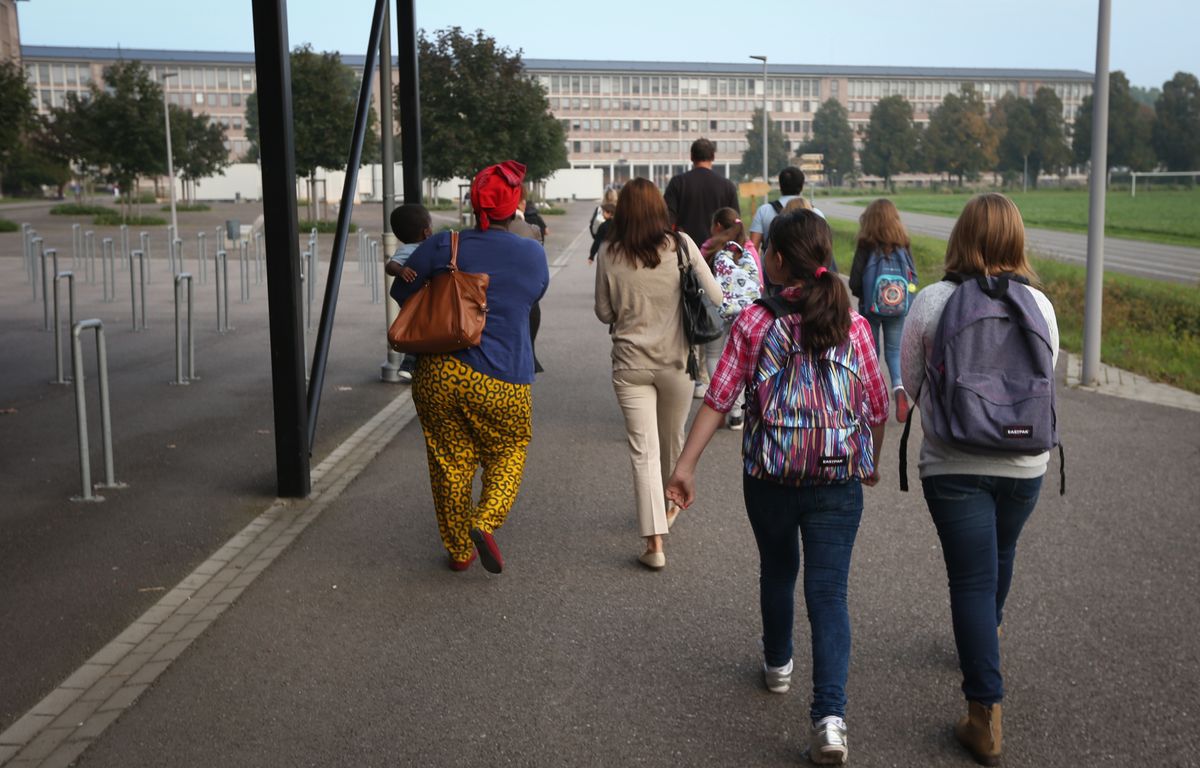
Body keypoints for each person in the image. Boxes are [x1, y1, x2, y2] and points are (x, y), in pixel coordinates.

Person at [666, 209, 888, 766]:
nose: (762, 259)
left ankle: (777, 666)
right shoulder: (854, 324)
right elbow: (878, 405)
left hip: (770, 474)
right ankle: (830, 720)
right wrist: (870, 462)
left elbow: (719, 398)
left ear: (780, 261)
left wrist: (686, 465)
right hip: (838, 476)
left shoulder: (755, 324)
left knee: (778, 569)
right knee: (830, 594)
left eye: (768, 253)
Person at [900, 193, 1059, 767]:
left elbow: (913, 387)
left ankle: (984, 717)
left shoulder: (932, 302)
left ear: (960, 237)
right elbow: (1046, 377)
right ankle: (983, 642)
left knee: (970, 579)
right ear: (1017, 240)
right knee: (1003, 552)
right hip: (1026, 464)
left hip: (953, 461)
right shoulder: (1040, 304)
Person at [391, 160, 550, 574]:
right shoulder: (531, 253)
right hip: (504, 375)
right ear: (513, 204)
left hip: (439, 373)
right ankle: (486, 520)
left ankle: (459, 550)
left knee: (450, 459)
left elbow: (403, 289)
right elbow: (533, 297)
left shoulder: (444, 244)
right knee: (510, 448)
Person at [594, 177, 722, 571]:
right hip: (677, 364)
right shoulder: (682, 245)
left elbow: (604, 313)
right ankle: (668, 505)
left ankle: (654, 543)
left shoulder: (609, 253)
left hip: (630, 364)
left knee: (642, 450)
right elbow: (716, 296)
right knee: (672, 441)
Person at [848, 199, 916, 422]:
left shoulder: (866, 244)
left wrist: (864, 296)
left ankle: (870, 397)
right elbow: (913, 277)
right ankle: (899, 389)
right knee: (894, 352)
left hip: (871, 308)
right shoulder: (903, 243)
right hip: (897, 307)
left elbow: (855, 280)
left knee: (871, 353)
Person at [699, 207, 761, 430]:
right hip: (744, 312)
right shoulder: (749, 249)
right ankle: (737, 412)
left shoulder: (709, 247)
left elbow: (696, 278)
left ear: (717, 226)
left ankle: (717, 408)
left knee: (714, 356)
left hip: (714, 309)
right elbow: (758, 281)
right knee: (741, 360)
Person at [385, 203, 433, 383]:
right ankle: (408, 364)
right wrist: (401, 270)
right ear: (427, 232)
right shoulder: (408, 250)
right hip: (416, 301)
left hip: (420, 299)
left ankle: (412, 361)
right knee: (415, 329)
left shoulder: (428, 248)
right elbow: (390, 265)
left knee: (419, 328)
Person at [663, 138, 739, 249]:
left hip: (684, 252)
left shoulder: (678, 183)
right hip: (717, 253)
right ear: (713, 157)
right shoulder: (727, 186)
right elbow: (735, 225)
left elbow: (667, 220)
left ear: (691, 157)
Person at [748, 166, 825, 255]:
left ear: (780, 186)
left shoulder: (764, 211)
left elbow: (752, 250)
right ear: (802, 186)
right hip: (807, 267)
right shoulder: (816, 213)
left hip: (771, 267)